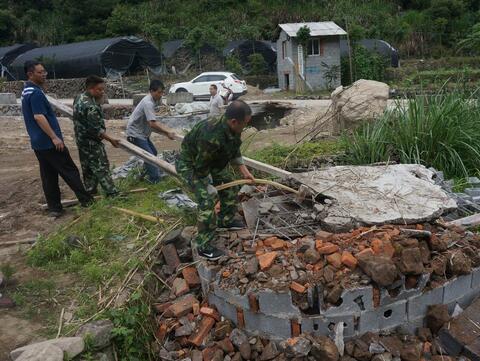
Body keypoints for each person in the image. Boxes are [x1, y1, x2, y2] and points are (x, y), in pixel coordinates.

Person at [176, 100, 255, 260]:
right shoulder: (210, 135)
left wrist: (244, 171)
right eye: (244, 124)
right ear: (234, 122)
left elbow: (234, 148)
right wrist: (207, 185)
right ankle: (203, 246)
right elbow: (201, 166)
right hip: (191, 165)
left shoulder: (233, 128)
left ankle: (225, 220)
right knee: (206, 201)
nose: (245, 127)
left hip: (211, 161)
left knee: (230, 186)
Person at [21, 61, 93, 217]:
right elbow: (39, 117)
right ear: (30, 74)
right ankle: (87, 201)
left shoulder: (26, 91)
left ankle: (54, 208)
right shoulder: (36, 93)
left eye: (44, 71)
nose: (44, 74)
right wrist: (54, 137)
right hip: (48, 142)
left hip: (38, 143)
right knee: (69, 170)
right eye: (40, 72)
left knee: (48, 175)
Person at [72, 75, 119, 197]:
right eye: (100, 89)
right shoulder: (91, 107)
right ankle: (112, 193)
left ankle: (90, 191)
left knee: (87, 167)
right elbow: (97, 130)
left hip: (81, 140)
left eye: (103, 89)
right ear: (91, 89)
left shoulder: (79, 98)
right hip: (92, 142)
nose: (102, 92)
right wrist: (112, 140)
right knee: (101, 166)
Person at [126, 79, 176, 183]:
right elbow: (152, 123)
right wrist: (167, 132)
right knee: (150, 156)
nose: (161, 95)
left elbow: (153, 122)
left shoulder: (152, 101)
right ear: (151, 91)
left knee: (153, 152)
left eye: (162, 92)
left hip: (142, 133)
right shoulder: (148, 102)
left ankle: (146, 173)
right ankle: (155, 180)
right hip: (135, 134)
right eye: (159, 92)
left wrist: (166, 131)